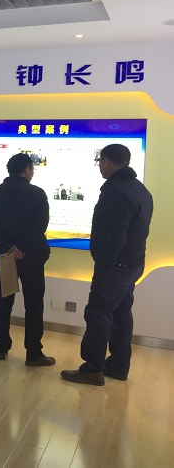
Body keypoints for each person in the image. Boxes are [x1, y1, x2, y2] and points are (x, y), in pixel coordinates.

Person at [61, 144, 153, 386]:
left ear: (108, 161)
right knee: (121, 313)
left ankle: (92, 369)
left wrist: (103, 263)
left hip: (115, 266)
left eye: (100, 161)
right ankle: (119, 365)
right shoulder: (139, 189)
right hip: (133, 263)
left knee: (98, 313)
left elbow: (114, 235)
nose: (100, 166)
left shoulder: (117, 192)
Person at [0, 153, 55, 367]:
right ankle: (33, 353)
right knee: (34, 304)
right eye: (32, 169)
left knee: (4, 302)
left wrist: (8, 248)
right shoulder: (37, 194)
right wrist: (21, 247)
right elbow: (40, 225)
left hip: (6, 257)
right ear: (26, 170)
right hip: (32, 256)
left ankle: (1, 347)